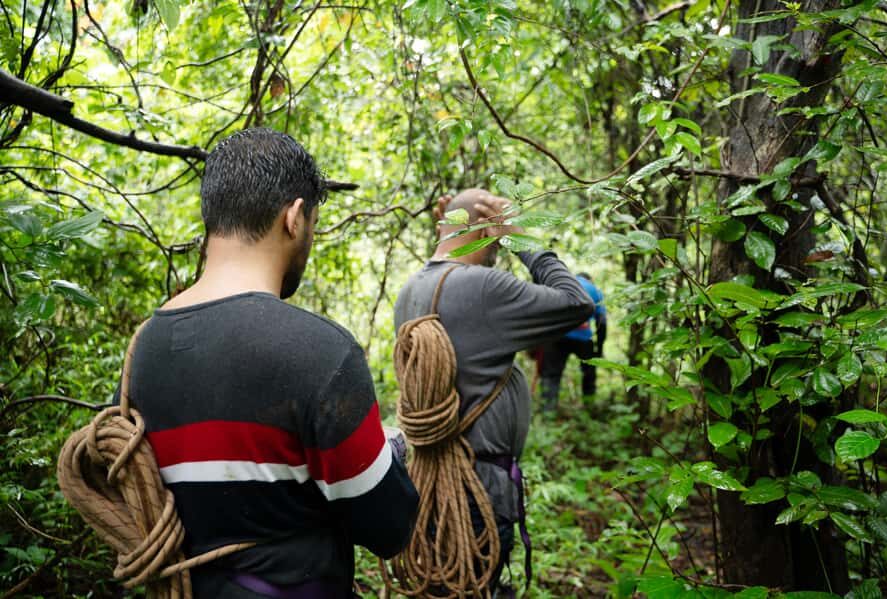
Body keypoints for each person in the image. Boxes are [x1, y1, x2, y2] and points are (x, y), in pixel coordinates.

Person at [122, 128, 419, 598]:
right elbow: (388, 527)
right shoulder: (321, 353)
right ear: (295, 218)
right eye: (314, 225)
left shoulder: (143, 350)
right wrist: (391, 455)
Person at [393, 188, 593, 592]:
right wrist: (520, 238)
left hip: (433, 484)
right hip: (476, 491)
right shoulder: (481, 289)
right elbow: (576, 302)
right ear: (488, 229)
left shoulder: (414, 289)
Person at [539, 273, 606, 411]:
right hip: (583, 338)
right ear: (589, 279)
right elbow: (602, 322)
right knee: (588, 373)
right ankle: (588, 408)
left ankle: (548, 410)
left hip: (558, 335)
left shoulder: (563, 283)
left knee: (551, 374)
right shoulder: (595, 290)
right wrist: (599, 348)